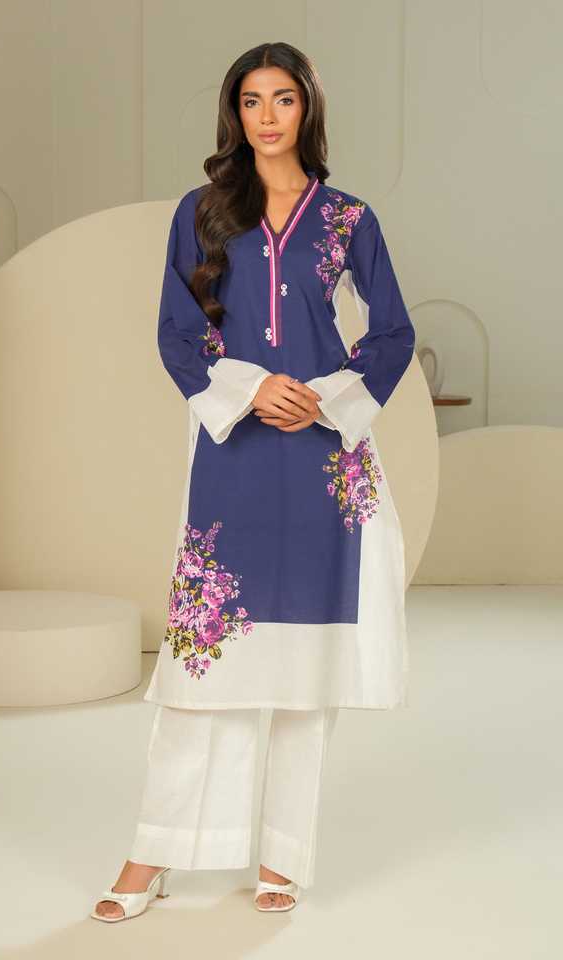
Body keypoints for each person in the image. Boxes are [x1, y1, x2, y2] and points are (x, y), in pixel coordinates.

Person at [91, 39, 415, 922]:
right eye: (250, 101)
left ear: (307, 108)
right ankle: (156, 852)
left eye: (283, 99)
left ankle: (284, 855)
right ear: (234, 113)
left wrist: (324, 399)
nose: (267, 117)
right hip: (232, 451)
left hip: (323, 462)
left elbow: (392, 333)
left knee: (306, 672)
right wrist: (249, 387)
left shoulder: (349, 218)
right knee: (205, 664)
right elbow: (177, 332)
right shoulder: (203, 213)